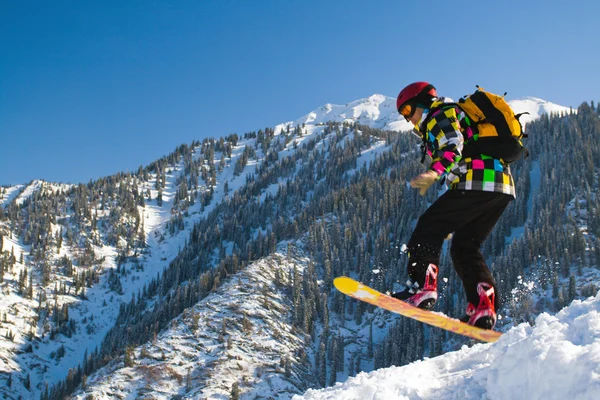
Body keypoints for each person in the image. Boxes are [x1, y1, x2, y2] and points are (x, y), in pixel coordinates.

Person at [391, 81, 515, 329]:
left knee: (429, 226)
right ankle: (483, 307)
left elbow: (452, 145)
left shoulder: (440, 113)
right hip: (501, 187)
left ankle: (422, 288)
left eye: (407, 111)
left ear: (422, 102)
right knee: (464, 247)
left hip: (476, 181)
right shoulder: (449, 115)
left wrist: (434, 173)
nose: (407, 119)